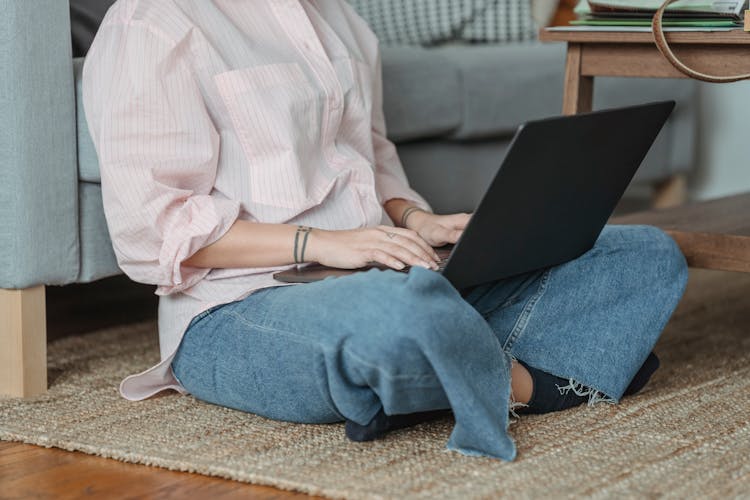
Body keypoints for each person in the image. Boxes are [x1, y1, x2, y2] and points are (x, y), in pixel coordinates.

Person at [83, 0, 688, 461]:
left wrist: (417, 220)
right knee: (395, 316)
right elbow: (151, 230)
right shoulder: (153, 23)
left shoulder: (339, 16)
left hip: (391, 271)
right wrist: (323, 245)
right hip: (239, 307)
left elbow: (370, 157)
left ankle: (428, 376)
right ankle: (538, 380)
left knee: (643, 253)